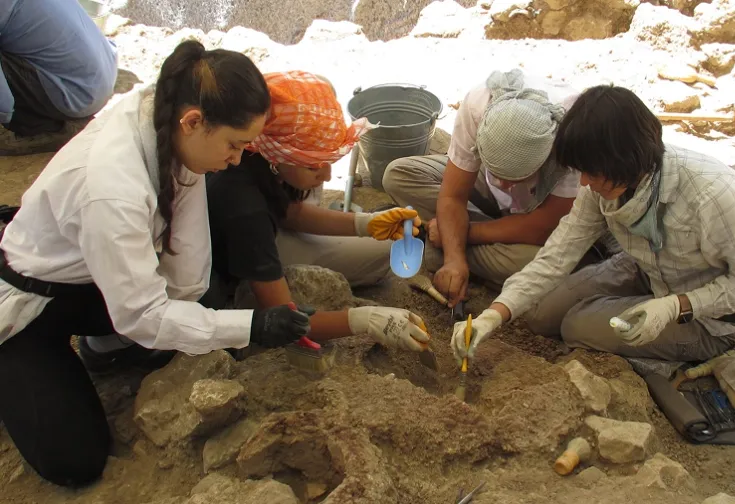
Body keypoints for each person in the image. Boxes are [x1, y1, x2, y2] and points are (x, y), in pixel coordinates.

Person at [0, 40, 315, 488]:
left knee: (202, 306)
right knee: (75, 462)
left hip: (91, 272)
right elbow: (144, 316)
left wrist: (209, 319)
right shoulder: (112, 188)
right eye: (235, 144)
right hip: (34, 299)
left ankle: (101, 344)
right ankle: (22, 363)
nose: (239, 158)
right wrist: (252, 326)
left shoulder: (169, 116)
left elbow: (187, 272)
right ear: (194, 122)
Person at [450, 85, 735, 365]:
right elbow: (557, 255)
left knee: (577, 327)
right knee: (539, 314)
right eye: (582, 172)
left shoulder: (714, 193)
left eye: (593, 173)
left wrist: (675, 307)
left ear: (626, 159)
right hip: (646, 268)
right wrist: (493, 315)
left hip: (711, 317)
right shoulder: (601, 184)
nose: (586, 183)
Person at [203, 70, 430, 350]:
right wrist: (363, 320)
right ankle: (245, 295)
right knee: (376, 258)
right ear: (279, 158)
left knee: (390, 247)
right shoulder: (244, 206)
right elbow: (287, 323)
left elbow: (291, 213)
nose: (326, 175)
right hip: (239, 265)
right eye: (313, 164)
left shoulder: (264, 153)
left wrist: (367, 223)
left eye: (328, 160)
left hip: (268, 232)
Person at [383, 69, 612, 307]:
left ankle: (438, 243)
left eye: (514, 178)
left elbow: (544, 227)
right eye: (499, 175)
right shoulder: (478, 105)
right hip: (494, 193)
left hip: (543, 221)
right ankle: (466, 246)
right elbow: (452, 196)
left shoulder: (574, 136)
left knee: (555, 265)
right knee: (399, 175)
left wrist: (463, 233)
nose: (503, 185)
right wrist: (454, 259)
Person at [0, 0, 118, 155]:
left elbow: (4, 104)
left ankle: (34, 128)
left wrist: (4, 119)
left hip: (74, 93)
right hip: (99, 75)